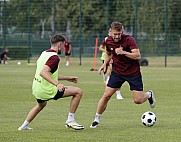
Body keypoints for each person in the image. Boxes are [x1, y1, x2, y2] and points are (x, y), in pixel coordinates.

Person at [90, 22, 156, 128]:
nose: (117, 36)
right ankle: (96, 119)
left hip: (133, 72)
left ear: (122, 31)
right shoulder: (108, 41)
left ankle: (149, 95)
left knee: (138, 100)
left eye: (119, 34)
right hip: (117, 72)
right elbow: (108, 53)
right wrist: (105, 64)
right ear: (110, 31)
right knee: (106, 95)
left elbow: (137, 55)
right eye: (115, 34)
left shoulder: (129, 40)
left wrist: (124, 52)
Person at [18, 34, 84, 130]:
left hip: (37, 88)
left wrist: (67, 78)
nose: (64, 48)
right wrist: (57, 84)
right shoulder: (54, 58)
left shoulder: (44, 53)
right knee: (78, 91)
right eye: (64, 45)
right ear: (60, 45)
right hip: (47, 89)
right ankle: (70, 120)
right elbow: (43, 72)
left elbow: (48, 73)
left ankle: (23, 126)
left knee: (41, 105)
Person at [100, 29, 123, 100]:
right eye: (110, 32)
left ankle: (117, 92)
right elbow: (100, 48)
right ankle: (108, 81)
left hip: (115, 59)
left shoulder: (119, 39)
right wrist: (107, 51)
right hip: (106, 57)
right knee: (107, 70)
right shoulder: (106, 40)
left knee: (113, 70)